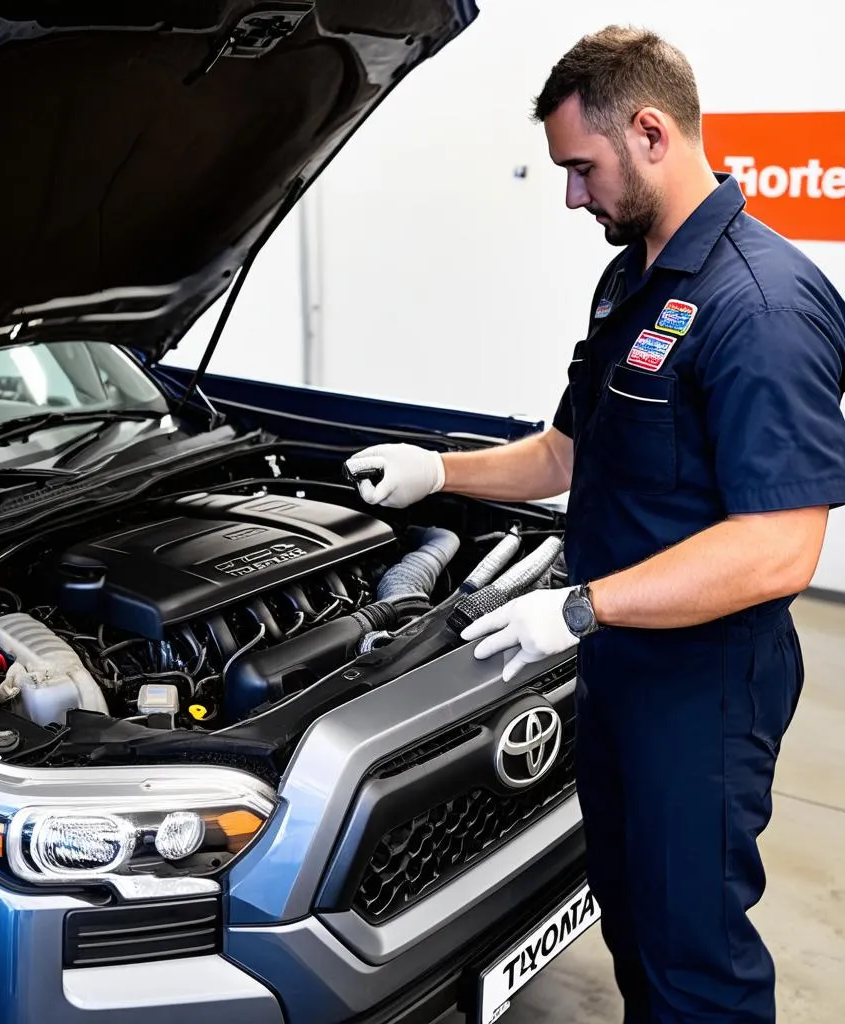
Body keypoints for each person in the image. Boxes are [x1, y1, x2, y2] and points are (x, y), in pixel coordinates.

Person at [345, 25, 845, 1024]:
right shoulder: (633, 277)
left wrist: (576, 609)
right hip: (619, 660)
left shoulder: (762, 304)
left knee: (692, 955)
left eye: (581, 168)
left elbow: (780, 547)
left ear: (650, 132)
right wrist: (434, 470)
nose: (572, 195)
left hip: (701, 687)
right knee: (630, 914)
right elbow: (563, 454)